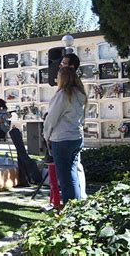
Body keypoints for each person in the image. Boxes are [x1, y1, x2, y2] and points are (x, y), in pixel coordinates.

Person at [43, 67, 87, 205]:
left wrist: (46, 135)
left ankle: (69, 209)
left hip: (62, 139)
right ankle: (77, 205)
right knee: (73, 175)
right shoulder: (80, 95)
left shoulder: (62, 95)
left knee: (64, 178)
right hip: (76, 138)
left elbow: (51, 118)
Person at [59, 52, 88, 199]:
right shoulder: (78, 89)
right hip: (75, 134)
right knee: (75, 170)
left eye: (64, 64)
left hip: (67, 135)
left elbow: (56, 116)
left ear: (71, 67)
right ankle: (80, 199)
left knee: (71, 173)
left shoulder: (70, 90)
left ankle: (77, 200)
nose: (60, 66)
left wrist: (48, 133)